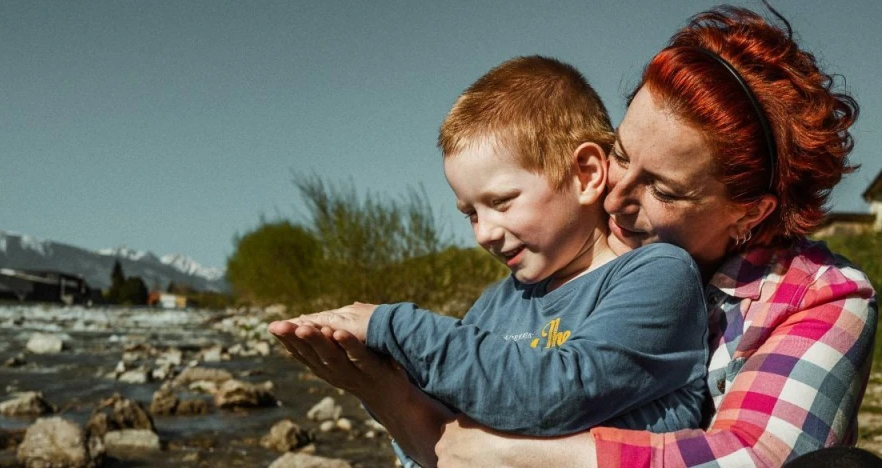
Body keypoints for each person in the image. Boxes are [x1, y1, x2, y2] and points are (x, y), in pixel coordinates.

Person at [271, 4, 878, 468]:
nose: (613, 197)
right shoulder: (552, 275)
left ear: (748, 212)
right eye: (620, 155)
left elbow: (755, 457)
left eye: (662, 190)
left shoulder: (821, 298)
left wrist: (506, 455)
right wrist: (401, 406)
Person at [272, 55, 710, 465]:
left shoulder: (658, 275)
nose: (483, 232)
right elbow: (441, 436)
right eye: (470, 214)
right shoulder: (497, 304)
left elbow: (558, 394)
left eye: (501, 202)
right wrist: (382, 385)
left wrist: (394, 327)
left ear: (586, 174)